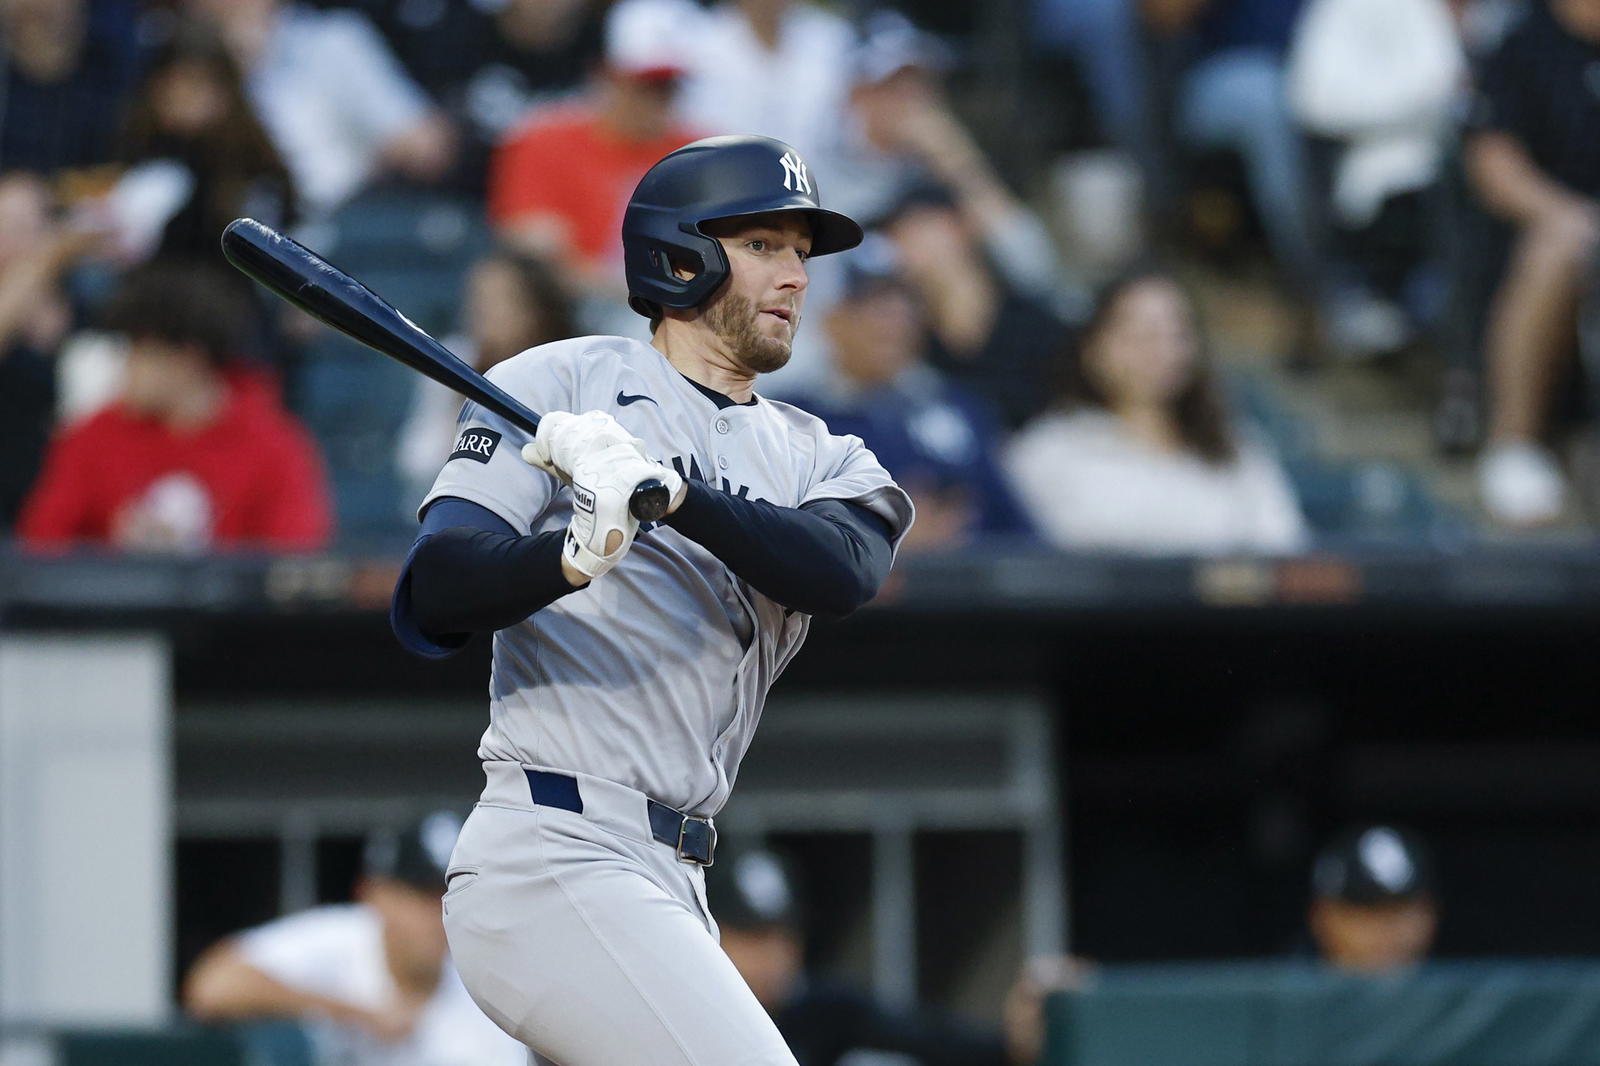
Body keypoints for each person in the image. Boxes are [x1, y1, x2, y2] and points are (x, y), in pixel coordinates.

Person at [389, 134, 913, 1066]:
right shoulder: (558, 384)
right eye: (763, 245)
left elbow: (842, 570)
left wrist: (676, 494)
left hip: (675, 874)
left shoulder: (826, 454)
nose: (796, 274)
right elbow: (436, 591)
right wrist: (571, 555)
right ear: (682, 255)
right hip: (556, 851)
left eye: (801, 251)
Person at [17, 260, 332, 553]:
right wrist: (110, 545)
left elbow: (295, 559)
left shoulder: (273, 443)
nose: (127, 368)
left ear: (187, 357)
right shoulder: (93, 435)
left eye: (140, 352)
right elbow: (40, 546)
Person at [183, 811, 526, 1066]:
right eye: (421, 895)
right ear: (374, 894)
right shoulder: (343, 938)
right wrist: (357, 1013)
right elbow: (211, 987)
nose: (437, 913)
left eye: (450, 894)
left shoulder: (488, 988)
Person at [1004, 267, 1308, 555]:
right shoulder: (1046, 451)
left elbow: (1283, 549)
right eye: (1138, 333)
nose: (1159, 349)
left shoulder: (1237, 445)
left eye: (1175, 332)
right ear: (1092, 347)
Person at [789, 237, 1034, 553]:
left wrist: (963, 538)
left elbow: (1020, 533)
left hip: (967, 595)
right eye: (871, 305)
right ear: (830, 320)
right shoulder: (791, 419)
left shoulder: (963, 407)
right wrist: (887, 535)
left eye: (906, 303)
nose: (895, 320)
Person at [708, 848, 1053, 1066]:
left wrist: (1011, 1045)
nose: (773, 955)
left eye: (783, 936)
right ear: (716, 935)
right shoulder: (695, 1008)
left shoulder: (823, 1009)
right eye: (753, 938)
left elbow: (927, 1036)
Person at [1465, 0, 1600, 525]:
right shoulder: (1524, 42)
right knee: (1559, 247)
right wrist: (1567, 213)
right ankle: (1513, 442)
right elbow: (1491, 161)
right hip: (1540, 242)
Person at [487, 2, 699, 325]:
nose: (657, 100)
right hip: (570, 316)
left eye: (667, 86)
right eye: (645, 84)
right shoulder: (546, 139)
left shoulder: (699, 153)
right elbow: (536, 252)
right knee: (502, 286)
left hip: (672, 315)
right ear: (606, 75)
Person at [186, 0, 454, 220]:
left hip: (346, 223)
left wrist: (375, 167)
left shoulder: (332, 41)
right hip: (237, 235)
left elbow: (426, 146)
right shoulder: (189, 65)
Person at [396, 248, 578, 503]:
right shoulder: (453, 359)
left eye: (499, 301)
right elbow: (417, 460)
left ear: (536, 309)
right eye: (477, 300)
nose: (482, 312)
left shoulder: (574, 369)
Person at [111, 17, 296, 261]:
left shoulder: (249, 155)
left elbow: (279, 222)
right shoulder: (139, 141)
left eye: (198, 86)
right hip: (147, 278)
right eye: (175, 85)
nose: (185, 99)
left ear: (226, 91)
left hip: (225, 282)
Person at [0, 172, 98, 530]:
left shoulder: (82, 303)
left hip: (66, 492)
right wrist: (48, 255)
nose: (12, 237)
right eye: (5, 223)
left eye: (27, 224)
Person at [1308, 824, 1438, 973]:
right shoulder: (1282, 991)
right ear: (1320, 917)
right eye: (1366, 910)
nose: (1386, 930)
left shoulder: (1458, 992)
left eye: (1399, 909)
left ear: (1430, 913)